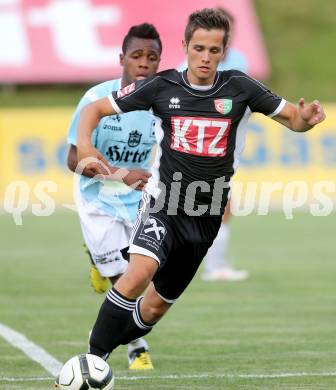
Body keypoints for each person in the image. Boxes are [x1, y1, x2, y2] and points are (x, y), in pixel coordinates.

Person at [75, 8, 325, 364]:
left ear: (224, 52)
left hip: (205, 217)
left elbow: (294, 120)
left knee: (153, 310)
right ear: (185, 46)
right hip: (164, 205)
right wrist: (85, 145)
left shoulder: (240, 87)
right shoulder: (161, 86)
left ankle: (106, 336)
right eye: (199, 48)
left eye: (213, 50)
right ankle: (89, 361)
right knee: (138, 274)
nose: (205, 57)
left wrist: (306, 119)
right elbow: (94, 110)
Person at [66, 23, 162, 370]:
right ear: (122, 58)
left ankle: (100, 262)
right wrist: (122, 175)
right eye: (136, 55)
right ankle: (137, 346)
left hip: (138, 199)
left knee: (146, 274)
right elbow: (74, 160)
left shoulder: (162, 105)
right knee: (124, 275)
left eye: (152, 57)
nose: (144, 63)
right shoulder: (96, 99)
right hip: (98, 200)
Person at [181, 7, 250, 282]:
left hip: (222, 149)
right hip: (190, 151)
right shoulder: (184, 67)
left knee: (222, 207)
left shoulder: (239, 61)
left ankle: (214, 265)